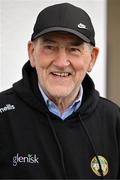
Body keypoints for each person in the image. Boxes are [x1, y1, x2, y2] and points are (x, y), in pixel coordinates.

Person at [0, 2, 120, 179]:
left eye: (74, 49)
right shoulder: (3, 116)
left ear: (92, 59)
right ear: (32, 53)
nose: (61, 62)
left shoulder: (112, 119)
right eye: (50, 47)